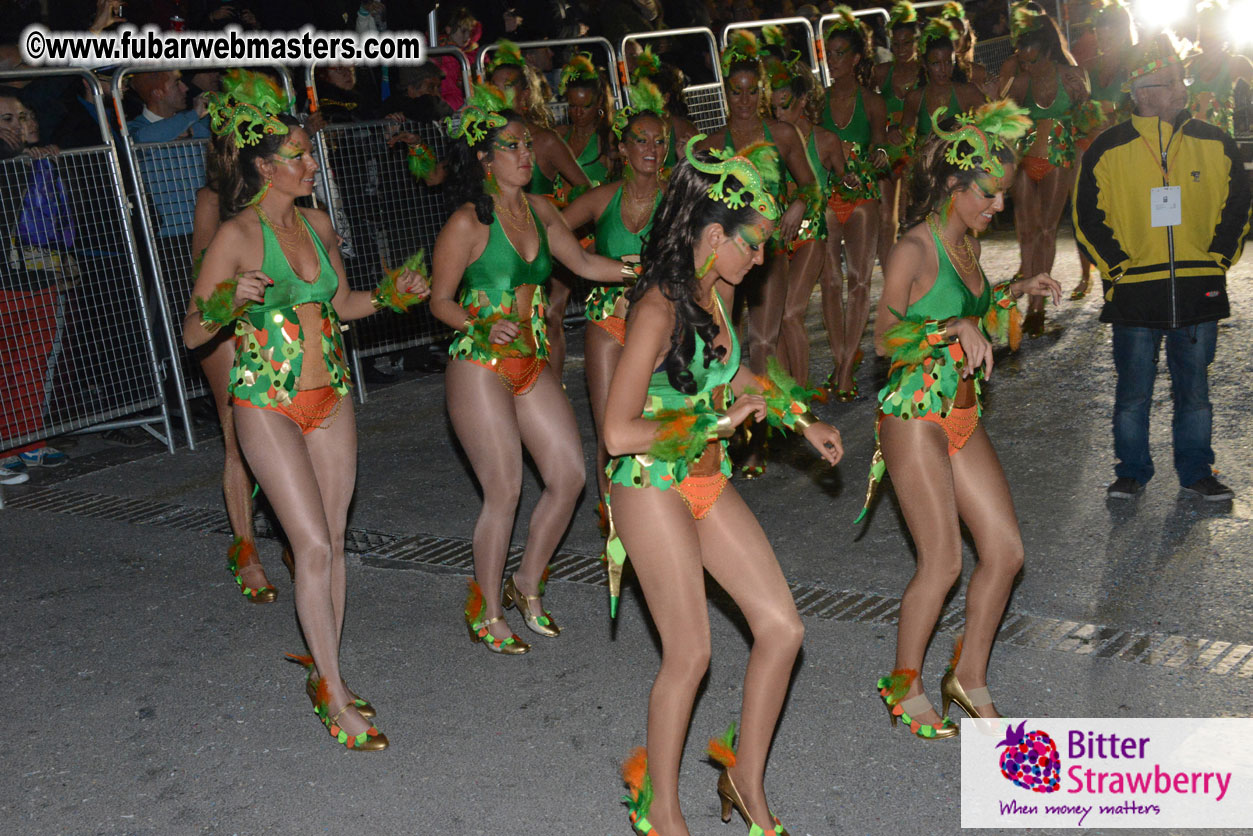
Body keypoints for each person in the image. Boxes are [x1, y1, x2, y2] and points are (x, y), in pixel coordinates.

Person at [608, 136, 842, 836]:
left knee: (782, 628)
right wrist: (714, 418)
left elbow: (733, 375)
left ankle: (743, 779)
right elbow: (618, 432)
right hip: (648, 481)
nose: (762, 256)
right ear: (713, 234)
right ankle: (663, 812)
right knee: (691, 654)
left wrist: (801, 421)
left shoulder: (719, 290)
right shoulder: (654, 307)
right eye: (754, 242)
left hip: (702, 476)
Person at [183, 90, 430, 749]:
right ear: (265, 167)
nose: (312, 164)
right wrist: (224, 301)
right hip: (266, 401)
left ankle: (331, 677)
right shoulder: (237, 234)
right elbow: (190, 333)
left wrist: (389, 295)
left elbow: (343, 302)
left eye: (310, 154)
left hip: (332, 396)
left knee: (335, 542)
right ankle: (330, 692)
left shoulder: (317, 226)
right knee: (312, 545)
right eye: (299, 156)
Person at [861, 101, 1061, 737]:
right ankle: (904, 686)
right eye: (989, 195)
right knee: (943, 562)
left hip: (963, 414)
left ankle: (967, 677)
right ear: (954, 184)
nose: (996, 207)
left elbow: (971, 308)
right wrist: (956, 324)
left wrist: (1014, 290)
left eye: (1001, 197)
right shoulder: (914, 248)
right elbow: (884, 338)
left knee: (1005, 552)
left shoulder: (966, 242)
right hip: (916, 415)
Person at [427, 84, 632, 655]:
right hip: (480, 363)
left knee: (568, 477)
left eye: (527, 144)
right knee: (505, 488)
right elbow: (439, 300)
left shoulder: (542, 210)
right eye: (512, 146)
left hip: (531, 359)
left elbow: (587, 262)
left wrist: (647, 270)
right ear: (485, 159)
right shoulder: (468, 222)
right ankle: (488, 609)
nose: (526, 153)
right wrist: (473, 324)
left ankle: (526, 582)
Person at [1073, 35, 1251, 502]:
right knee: (1133, 394)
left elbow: (1240, 205)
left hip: (1199, 288)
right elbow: (1086, 217)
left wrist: (1217, 258)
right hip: (1134, 289)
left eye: (1181, 79)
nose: (1183, 87)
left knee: (1195, 393)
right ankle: (1131, 471)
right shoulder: (1107, 148)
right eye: (1173, 81)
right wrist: (1118, 270)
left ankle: (1196, 472)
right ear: (1143, 91)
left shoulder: (1215, 142)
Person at [189, 70, 295, 602]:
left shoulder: (289, 194)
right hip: (228, 323)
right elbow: (202, 268)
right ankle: (246, 548)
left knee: (290, 424)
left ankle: (296, 533)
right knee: (238, 433)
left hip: (282, 323)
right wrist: (238, 284)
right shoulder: (215, 199)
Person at [697, 31, 818, 478]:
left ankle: (758, 437)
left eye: (753, 91)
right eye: (736, 91)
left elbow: (809, 184)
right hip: (723, 263)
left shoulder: (782, 134)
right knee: (723, 345)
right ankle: (726, 429)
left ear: (762, 91)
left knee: (764, 340)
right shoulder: (711, 144)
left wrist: (800, 205)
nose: (745, 100)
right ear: (725, 93)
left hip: (766, 254)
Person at [560, 80, 667, 549]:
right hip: (608, 319)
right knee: (610, 428)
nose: (651, 148)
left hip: (665, 324)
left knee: (657, 418)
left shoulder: (682, 200)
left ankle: (659, 509)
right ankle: (614, 523)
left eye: (659, 141)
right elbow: (546, 236)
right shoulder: (601, 198)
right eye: (640, 140)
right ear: (623, 149)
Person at [485, 40, 591, 375]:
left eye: (510, 88)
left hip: (546, 238)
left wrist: (556, 219)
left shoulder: (544, 140)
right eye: (496, 88)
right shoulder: (483, 144)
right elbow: (436, 179)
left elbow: (584, 186)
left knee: (551, 315)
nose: (502, 95)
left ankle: (552, 385)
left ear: (525, 94)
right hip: (503, 241)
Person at [1003, 6, 1089, 337]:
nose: (1029, 66)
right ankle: (1030, 294)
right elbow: (1001, 116)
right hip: (1026, 159)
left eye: (1034, 60)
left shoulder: (1072, 75)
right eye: (1024, 60)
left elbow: (1088, 118)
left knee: (1046, 230)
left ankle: (1036, 308)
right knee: (1025, 231)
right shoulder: (1020, 79)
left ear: (1049, 52)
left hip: (1059, 159)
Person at [766, 49, 847, 388]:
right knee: (774, 321)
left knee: (793, 310)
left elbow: (849, 186)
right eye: (773, 106)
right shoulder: (770, 139)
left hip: (814, 227)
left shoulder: (825, 139)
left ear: (801, 101)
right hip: (775, 234)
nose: (778, 112)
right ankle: (788, 390)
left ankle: (827, 377)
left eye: (784, 105)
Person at [822, 9, 889, 401]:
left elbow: (879, 140)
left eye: (840, 53)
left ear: (856, 59)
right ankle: (840, 358)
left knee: (859, 280)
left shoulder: (873, 101)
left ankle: (846, 367)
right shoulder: (818, 102)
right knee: (830, 282)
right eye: (828, 53)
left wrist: (880, 152)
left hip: (863, 194)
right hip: (829, 194)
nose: (833, 61)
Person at [1070, 0, 1136, 301]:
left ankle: (1126, 271)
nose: (1106, 41)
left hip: (1124, 150)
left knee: (1121, 213)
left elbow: (1137, 109)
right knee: (1083, 210)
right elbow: (1078, 111)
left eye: (1112, 36)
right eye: (1101, 35)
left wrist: (1113, 111)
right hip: (1088, 147)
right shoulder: (1086, 68)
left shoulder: (1134, 65)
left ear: (1124, 33)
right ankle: (1086, 275)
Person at [874, 1, 921, 276]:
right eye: (897, 44)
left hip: (917, 148)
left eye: (907, 43)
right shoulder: (882, 73)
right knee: (886, 218)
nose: (902, 49)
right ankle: (891, 274)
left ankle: (919, 272)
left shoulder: (926, 71)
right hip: (890, 150)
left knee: (915, 214)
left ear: (916, 42)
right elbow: (870, 109)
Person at [900, 18, 985, 150]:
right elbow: (904, 139)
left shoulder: (967, 92)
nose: (943, 70)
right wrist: (893, 132)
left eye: (948, 62)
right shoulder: (914, 98)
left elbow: (991, 126)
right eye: (936, 64)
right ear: (924, 64)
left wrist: (995, 97)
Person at [1185, 0, 1253, 137]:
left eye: (1214, 36)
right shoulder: (1189, 65)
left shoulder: (1236, 63)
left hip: (1222, 143)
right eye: (1205, 36)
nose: (1209, 42)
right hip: (1190, 141)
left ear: (1223, 37)